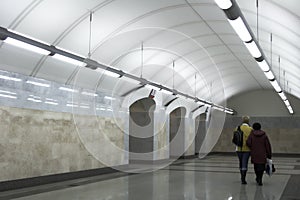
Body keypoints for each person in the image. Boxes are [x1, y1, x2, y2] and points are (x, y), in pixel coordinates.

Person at [234, 116, 252, 184]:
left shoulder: (237, 128)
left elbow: (234, 138)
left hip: (238, 148)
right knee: (245, 163)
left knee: (240, 162)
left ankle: (241, 175)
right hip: (247, 149)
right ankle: (243, 178)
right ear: (248, 121)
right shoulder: (250, 129)